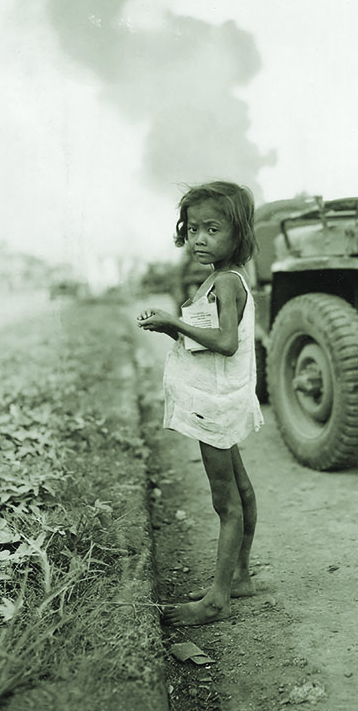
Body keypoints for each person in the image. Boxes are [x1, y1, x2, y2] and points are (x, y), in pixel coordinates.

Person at [137, 181, 264, 626]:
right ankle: (241, 577)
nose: (200, 239)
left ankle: (217, 600)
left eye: (213, 229)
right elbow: (204, 342)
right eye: (193, 229)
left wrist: (176, 320)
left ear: (238, 234)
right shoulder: (218, 279)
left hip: (214, 402)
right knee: (242, 488)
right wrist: (170, 328)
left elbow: (226, 343)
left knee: (225, 501)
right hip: (219, 395)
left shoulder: (227, 282)